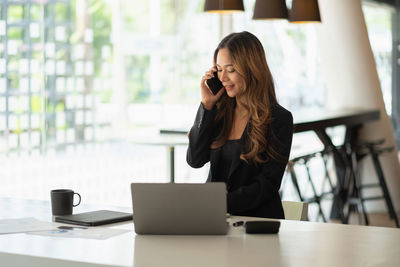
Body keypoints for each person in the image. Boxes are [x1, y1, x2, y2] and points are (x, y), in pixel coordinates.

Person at [186, 31, 293, 219]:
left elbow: (267, 184)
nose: (222, 78)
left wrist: (219, 204)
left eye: (231, 69)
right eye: (219, 69)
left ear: (251, 69)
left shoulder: (279, 118)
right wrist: (206, 105)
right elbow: (195, 160)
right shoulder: (218, 113)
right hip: (215, 220)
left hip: (257, 224)